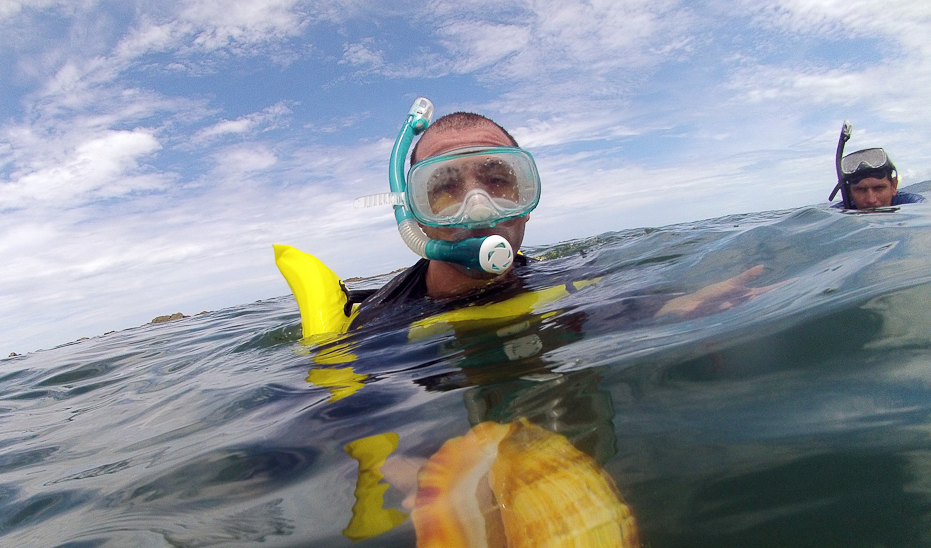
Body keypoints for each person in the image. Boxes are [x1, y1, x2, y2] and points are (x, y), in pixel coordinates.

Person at [349, 100, 768, 329]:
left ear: (525, 206)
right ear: (416, 217)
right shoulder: (377, 328)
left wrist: (672, 306)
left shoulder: (567, 275)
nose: (479, 209)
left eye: (498, 181)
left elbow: (618, 307)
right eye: (442, 189)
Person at [831, 147, 926, 210]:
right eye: (860, 190)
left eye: (879, 188)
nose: (871, 200)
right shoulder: (838, 214)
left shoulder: (915, 204)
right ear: (849, 193)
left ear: (893, 186)